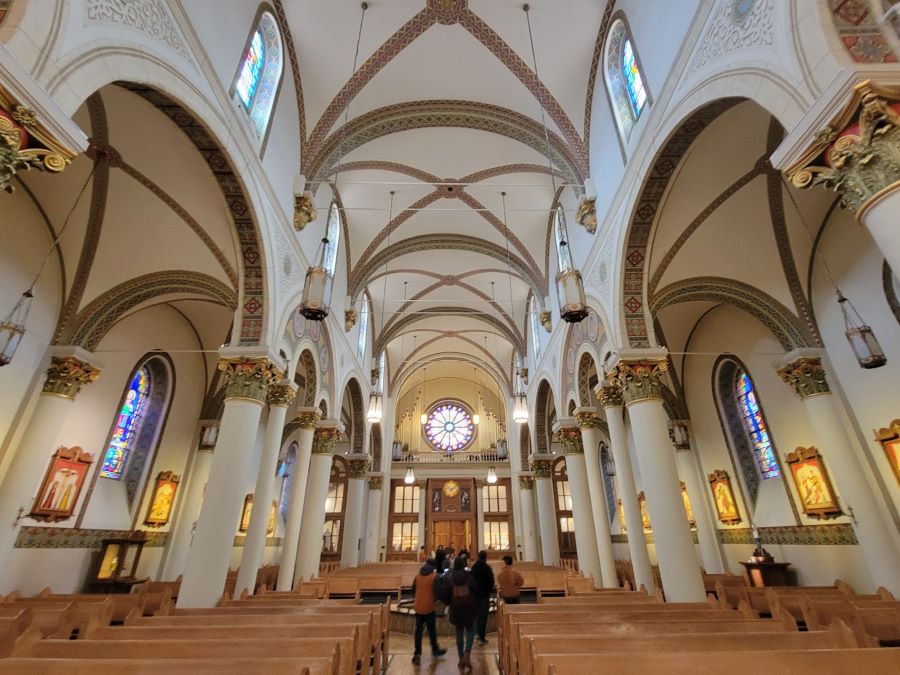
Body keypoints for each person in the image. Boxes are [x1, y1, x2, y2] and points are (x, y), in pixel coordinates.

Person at [411, 559, 447, 664]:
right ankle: (435, 650)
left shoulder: (417, 576)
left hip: (418, 606)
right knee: (431, 630)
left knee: (418, 631)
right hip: (429, 607)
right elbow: (438, 591)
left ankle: (417, 653)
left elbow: (413, 589)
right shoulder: (434, 576)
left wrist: (418, 598)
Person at [447, 557, 477, 669]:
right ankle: (467, 654)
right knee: (470, 630)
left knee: (459, 631)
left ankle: (460, 657)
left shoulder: (450, 576)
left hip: (456, 606)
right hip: (468, 606)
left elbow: (447, 591)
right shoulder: (468, 575)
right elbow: (474, 588)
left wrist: (448, 602)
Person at [469, 550, 495, 645]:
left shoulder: (474, 567)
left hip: (475, 595)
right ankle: (481, 637)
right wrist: (488, 590)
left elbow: (470, 580)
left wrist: (473, 591)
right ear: (485, 557)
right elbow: (491, 581)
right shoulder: (487, 568)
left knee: (477, 615)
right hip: (484, 595)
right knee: (483, 616)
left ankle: (477, 633)